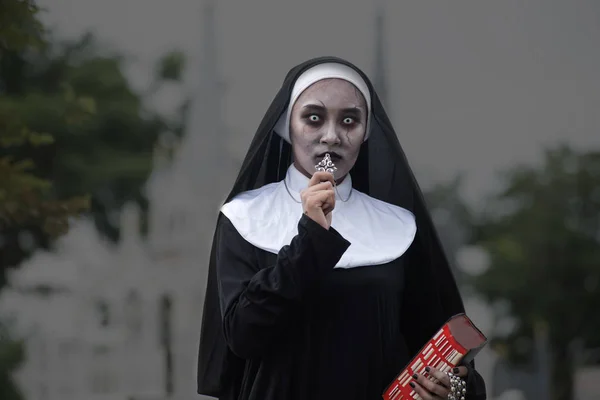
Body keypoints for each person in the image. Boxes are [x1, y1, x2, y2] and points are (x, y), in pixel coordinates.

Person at [196, 56, 487, 400]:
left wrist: (453, 388)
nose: (331, 136)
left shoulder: (398, 227)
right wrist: (310, 239)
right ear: (287, 125)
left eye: (349, 120)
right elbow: (242, 336)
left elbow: (439, 348)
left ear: (366, 133)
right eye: (313, 118)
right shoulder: (245, 217)